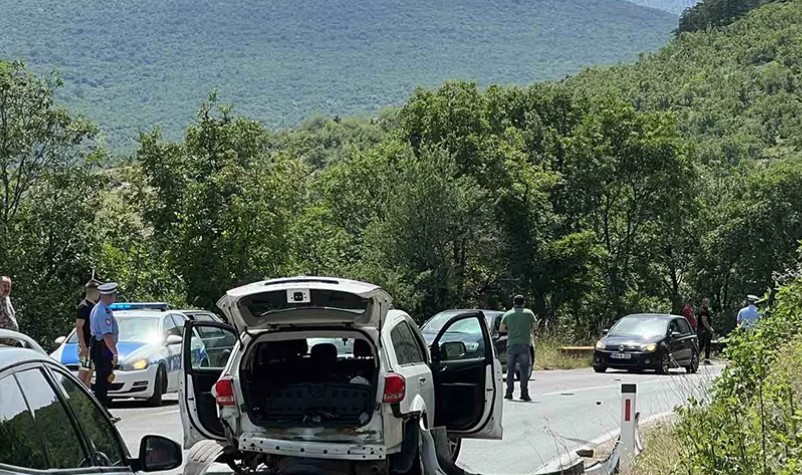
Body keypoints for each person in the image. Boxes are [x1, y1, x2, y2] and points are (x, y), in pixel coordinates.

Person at [499, 294, 536, 402]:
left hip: (511, 344)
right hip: (524, 344)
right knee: (524, 370)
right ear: (523, 303)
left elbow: (501, 329)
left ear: (513, 303)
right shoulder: (529, 313)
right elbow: (535, 327)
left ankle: (509, 393)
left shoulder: (508, 314)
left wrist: (511, 330)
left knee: (510, 369)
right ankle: (524, 393)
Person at [90, 282, 120, 410]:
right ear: (108, 296)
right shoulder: (103, 311)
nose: (115, 297)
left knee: (102, 379)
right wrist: (114, 353)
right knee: (103, 380)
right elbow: (107, 335)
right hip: (103, 348)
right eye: (114, 295)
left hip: (100, 346)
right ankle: (101, 410)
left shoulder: (99, 308)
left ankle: (102, 409)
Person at [76, 278, 101, 387]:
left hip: (92, 345)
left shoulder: (93, 306)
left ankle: (88, 396)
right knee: (83, 373)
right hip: (86, 345)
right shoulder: (84, 307)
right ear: (96, 292)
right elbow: (79, 327)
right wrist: (83, 346)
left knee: (89, 374)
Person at [697, 298, 714, 364]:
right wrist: (710, 329)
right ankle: (695, 357)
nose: (707, 304)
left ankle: (706, 359)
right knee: (702, 345)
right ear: (703, 303)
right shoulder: (703, 311)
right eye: (706, 302)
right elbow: (704, 321)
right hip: (703, 330)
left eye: (708, 302)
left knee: (707, 344)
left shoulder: (705, 310)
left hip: (705, 330)